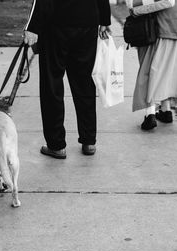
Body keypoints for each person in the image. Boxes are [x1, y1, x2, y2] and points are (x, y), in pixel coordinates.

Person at [23, 0, 111, 159]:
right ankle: (89, 140)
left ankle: (56, 145)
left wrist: (32, 27)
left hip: (56, 23)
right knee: (84, 83)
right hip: (87, 21)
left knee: (52, 84)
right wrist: (105, 18)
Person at [132, 0, 177, 130]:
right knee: (168, 72)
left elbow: (168, 1)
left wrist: (136, 11)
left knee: (150, 69)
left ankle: (150, 114)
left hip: (165, 26)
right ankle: (166, 111)